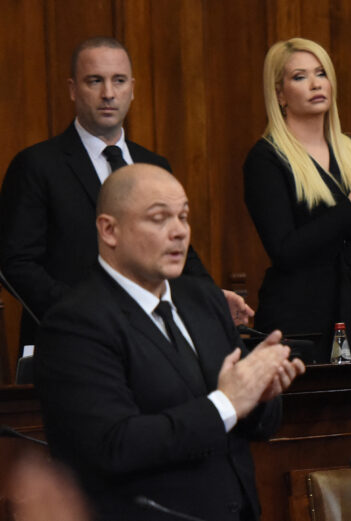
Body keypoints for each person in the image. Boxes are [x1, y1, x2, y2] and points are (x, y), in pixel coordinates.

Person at [35, 164, 306, 521]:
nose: (179, 232)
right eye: (159, 218)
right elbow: (113, 446)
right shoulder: (75, 323)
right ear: (109, 230)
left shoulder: (204, 299)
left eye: (184, 216)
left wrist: (258, 395)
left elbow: (250, 425)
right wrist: (227, 402)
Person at [0, 36, 252, 352]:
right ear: (73, 89)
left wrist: (212, 299)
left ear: (132, 89)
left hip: (153, 346)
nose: (108, 93)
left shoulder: (154, 164)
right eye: (95, 81)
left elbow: (179, 248)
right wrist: (83, 315)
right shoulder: (36, 165)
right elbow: (16, 263)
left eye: (118, 81)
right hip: (71, 344)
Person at [243, 38, 351, 363]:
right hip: (297, 318)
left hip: (350, 308)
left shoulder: (350, 149)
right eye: (300, 77)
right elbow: (285, 250)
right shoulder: (266, 159)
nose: (316, 84)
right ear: (279, 93)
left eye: (321, 73)